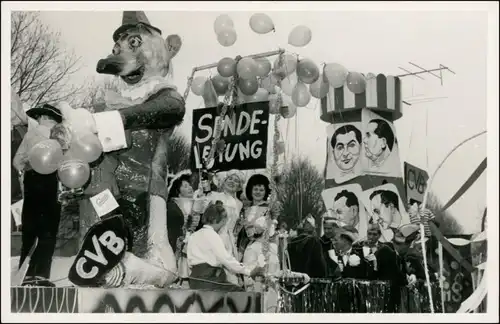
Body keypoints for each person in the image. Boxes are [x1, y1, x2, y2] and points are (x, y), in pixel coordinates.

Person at [12, 104, 63, 287]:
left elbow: (17, 162)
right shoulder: (58, 134)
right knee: (48, 229)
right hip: (50, 180)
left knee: (30, 228)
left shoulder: (29, 135)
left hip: (31, 181)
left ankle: (25, 273)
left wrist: (26, 168)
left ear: (40, 117)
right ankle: (41, 275)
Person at [186, 200, 264, 291]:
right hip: (209, 280)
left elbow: (189, 262)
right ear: (220, 220)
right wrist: (248, 272)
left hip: (194, 280)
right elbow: (226, 259)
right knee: (240, 293)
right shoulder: (212, 235)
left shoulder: (194, 235)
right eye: (224, 221)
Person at [207, 170, 245, 285]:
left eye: (236, 181)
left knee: (230, 275)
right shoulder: (214, 196)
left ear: (239, 186)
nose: (232, 182)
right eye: (230, 179)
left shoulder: (239, 203)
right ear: (224, 181)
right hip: (215, 236)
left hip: (230, 239)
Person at [166, 170, 203, 282]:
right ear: (178, 190)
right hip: (176, 243)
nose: (190, 188)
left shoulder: (198, 204)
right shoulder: (171, 206)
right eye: (185, 186)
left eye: (190, 185)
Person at [236, 173, 273, 260]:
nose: (258, 192)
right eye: (255, 189)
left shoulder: (270, 209)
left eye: (261, 190)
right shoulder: (244, 210)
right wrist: (239, 255)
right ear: (250, 190)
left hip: (266, 250)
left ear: (266, 191)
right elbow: (243, 236)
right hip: (249, 250)